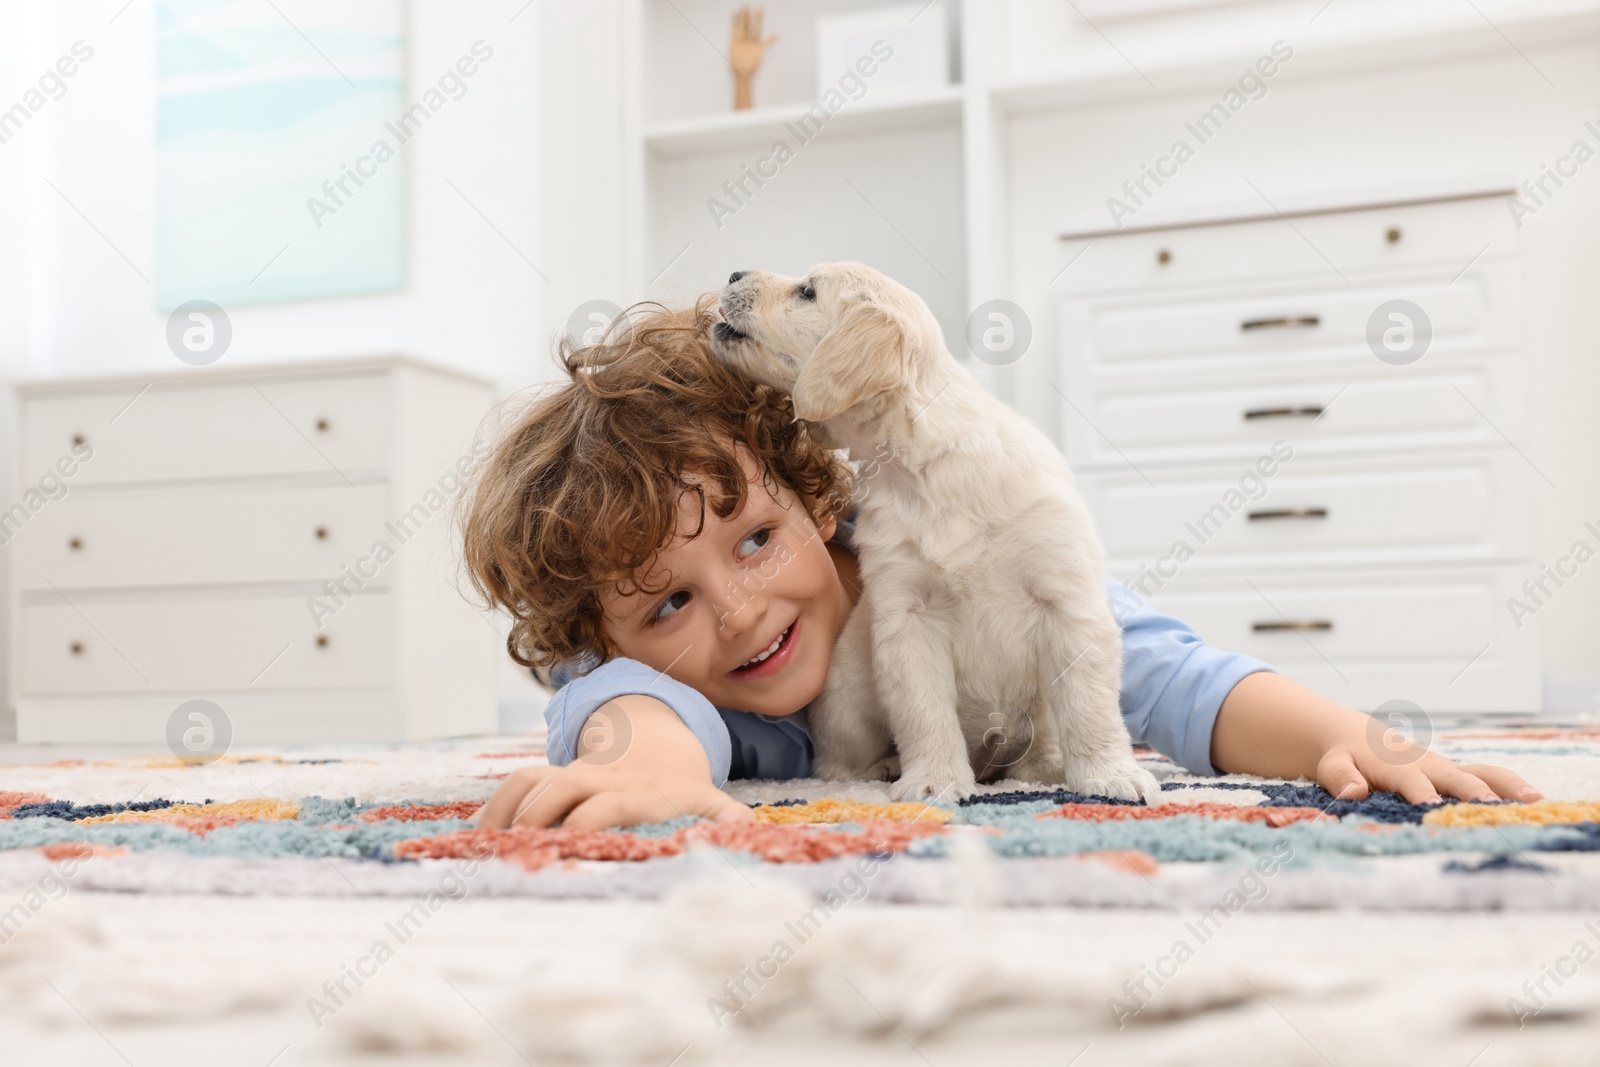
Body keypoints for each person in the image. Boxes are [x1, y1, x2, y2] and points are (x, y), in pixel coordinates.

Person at [464, 299, 1540, 831]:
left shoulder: (926, 551)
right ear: (604, 635)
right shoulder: (687, 695)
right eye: (668, 604)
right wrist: (650, 767)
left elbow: (1158, 669)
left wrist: (1340, 737)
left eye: (754, 537)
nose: (742, 611)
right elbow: (625, 708)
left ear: (820, 491)